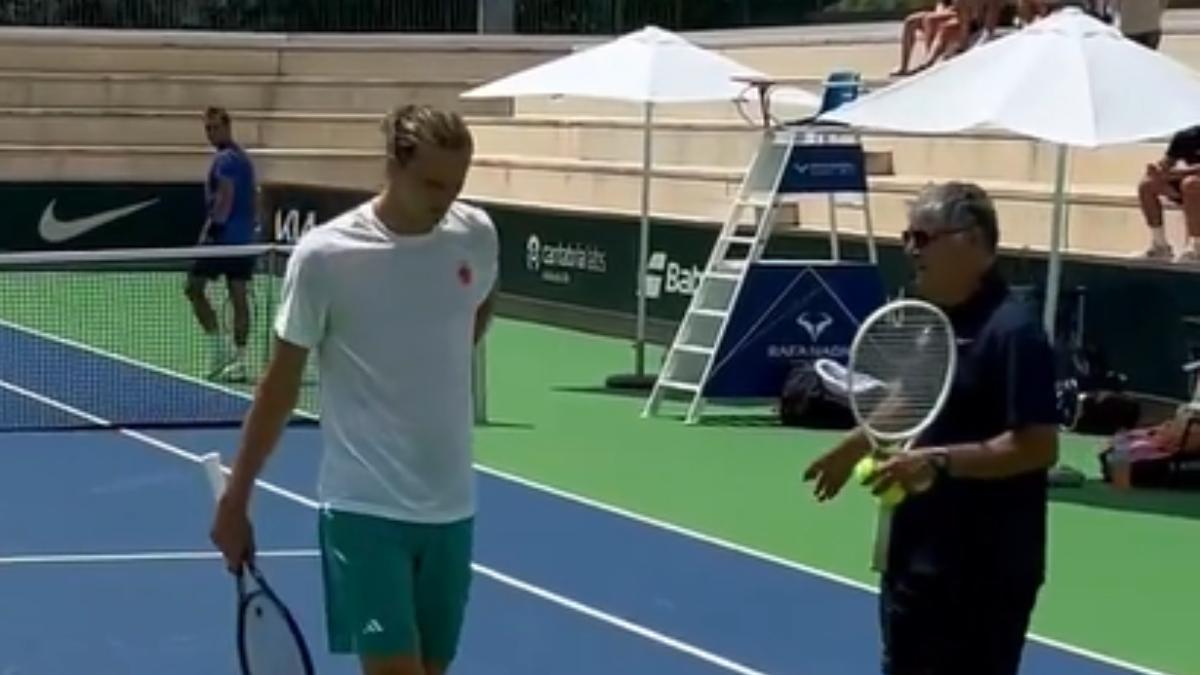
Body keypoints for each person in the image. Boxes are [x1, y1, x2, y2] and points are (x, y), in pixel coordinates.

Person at [210, 104, 498, 675]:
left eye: (457, 184)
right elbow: (279, 388)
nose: (446, 198)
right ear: (393, 164)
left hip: (452, 512)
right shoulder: (325, 257)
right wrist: (237, 498)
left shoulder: (476, 236)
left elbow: (475, 312)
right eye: (432, 182)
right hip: (364, 512)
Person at [803, 182, 1059, 675]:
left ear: (970, 239)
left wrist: (936, 461)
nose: (910, 249)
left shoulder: (1014, 332)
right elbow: (915, 395)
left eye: (923, 237)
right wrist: (854, 445)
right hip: (918, 557)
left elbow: (1036, 446)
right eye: (907, 236)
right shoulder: (935, 319)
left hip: (987, 571)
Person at [188, 106, 259, 381]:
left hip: (222, 240)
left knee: (193, 288)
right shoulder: (244, 160)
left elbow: (225, 198)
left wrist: (210, 232)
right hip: (244, 241)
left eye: (215, 127)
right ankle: (239, 361)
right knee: (239, 295)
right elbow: (254, 196)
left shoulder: (226, 160)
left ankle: (218, 350)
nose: (211, 133)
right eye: (207, 128)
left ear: (228, 127)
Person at [1138, 124, 1200, 262]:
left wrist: (1172, 174)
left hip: (1192, 184)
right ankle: (1160, 245)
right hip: (1187, 184)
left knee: (1191, 184)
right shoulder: (1186, 136)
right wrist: (1156, 170)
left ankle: (1197, 248)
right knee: (1147, 185)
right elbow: (1166, 163)